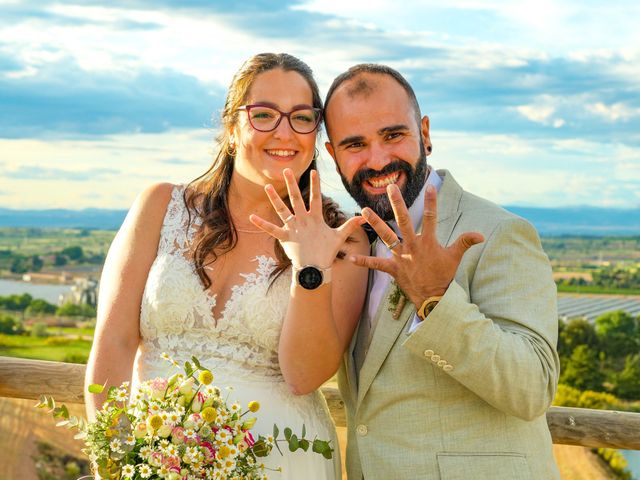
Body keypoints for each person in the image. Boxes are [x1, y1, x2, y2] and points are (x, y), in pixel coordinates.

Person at [85, 53, 369, 479]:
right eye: (264, 115)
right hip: (150, 458)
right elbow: (114, 344)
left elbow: (304, 375)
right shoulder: (160, 206)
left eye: (302, 118)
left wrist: (311, 270)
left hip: (282, 461)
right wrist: (115, 461)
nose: (284, 132)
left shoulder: (342, 237)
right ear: (232, 126)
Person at [323, 64, 561, 479]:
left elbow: (531, 389)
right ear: (332, 155)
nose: (377, 160)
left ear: (426, 134)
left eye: (393, 135)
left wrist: (435, 300)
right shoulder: (346, 242)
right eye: (355, 144)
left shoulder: (498, 232)